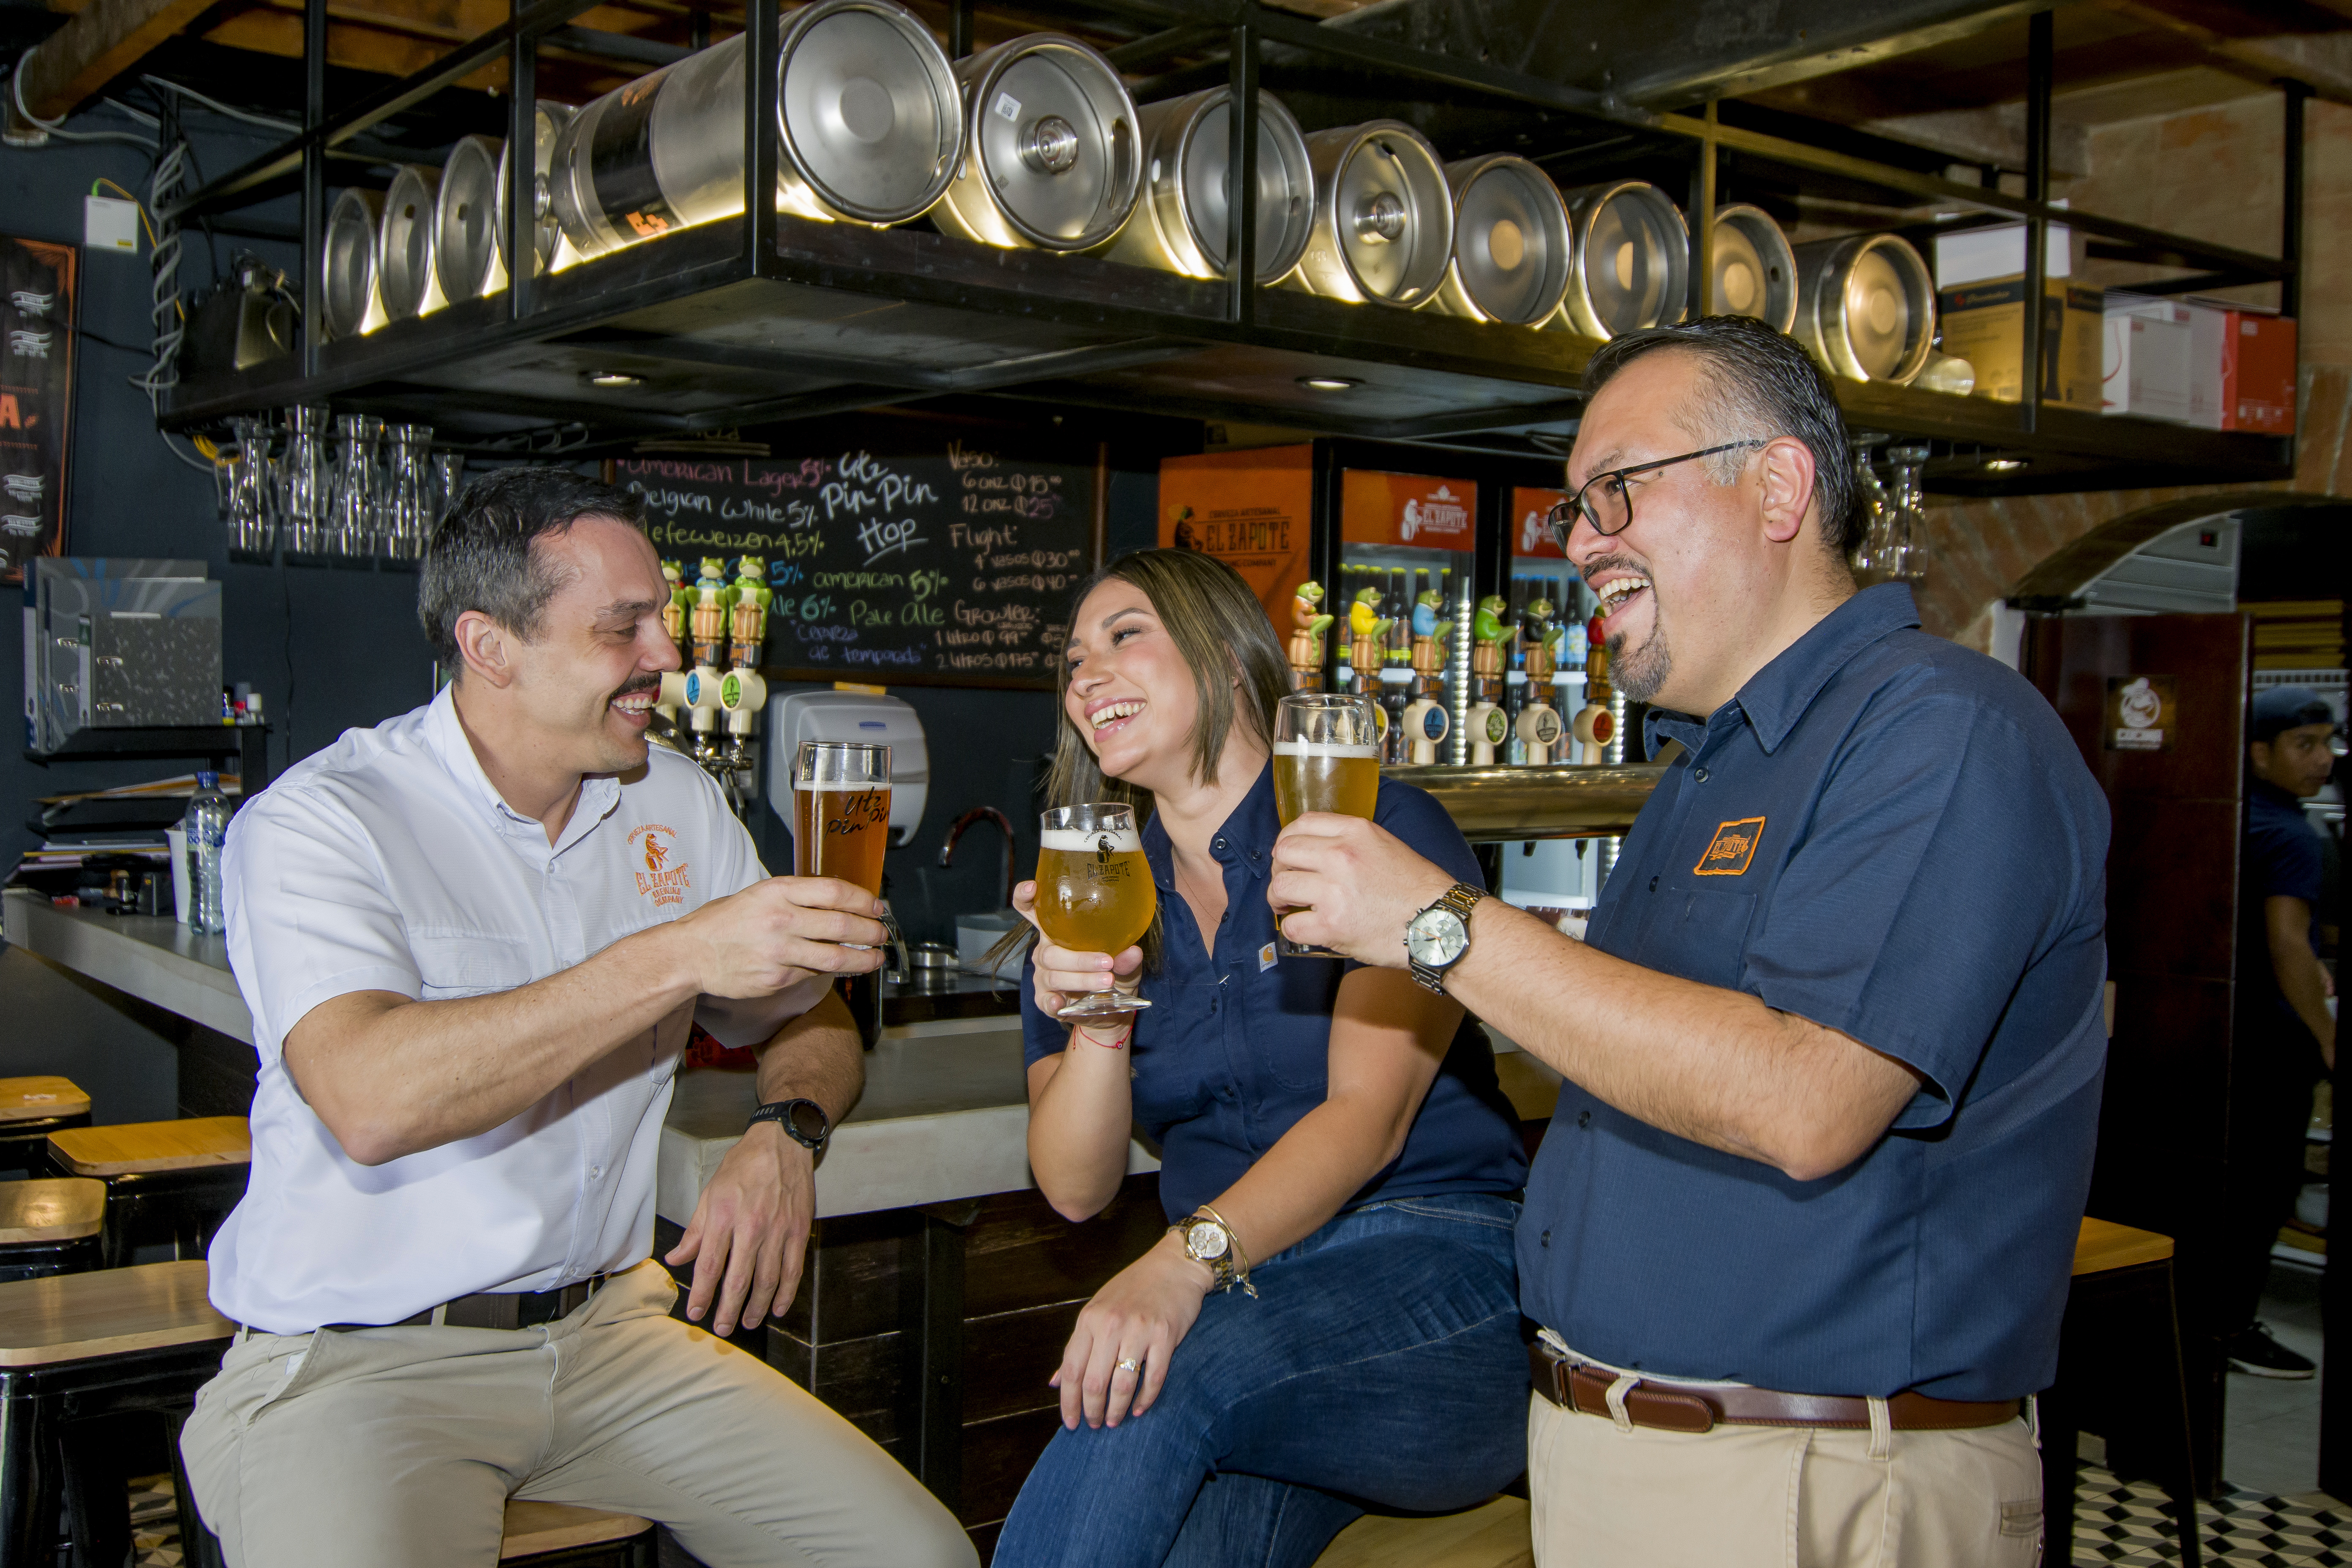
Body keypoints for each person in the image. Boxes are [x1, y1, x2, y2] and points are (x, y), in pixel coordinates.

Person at [1267, 316, 2111, 1567]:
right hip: (1638, 1459)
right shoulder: (1708, 766)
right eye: (1573, 511)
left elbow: (1805, 1097)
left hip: (1810, 1478)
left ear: (1779, 484)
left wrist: (1442, 928)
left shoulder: (1944, 729)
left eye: (1616, 490)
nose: (1583, 542)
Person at [180, 468, 976, 1568]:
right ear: (490, 646)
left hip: (610, 1339)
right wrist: (685, 951)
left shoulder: (679, 801)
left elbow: (813, 1022)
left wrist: (787, 1136)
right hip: (368, 1362)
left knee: (920, 1560)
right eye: (625, 627)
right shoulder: (326, 821)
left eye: (661, 616)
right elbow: (371, 1098)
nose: (668, 653)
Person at [991, 549, 1530, 1568]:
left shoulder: (1375, 830)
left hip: (1440, 1275)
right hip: (1252, 1308)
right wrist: (1100, 1018)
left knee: (1164, 1369)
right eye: (1072, 661)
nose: (1087, 674)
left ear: (1229, 656)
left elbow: (1366, 1121)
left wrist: (1174, 1268)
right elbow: (1072, 1184)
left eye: (1125, 636)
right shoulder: (1089, 887)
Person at [2221, 684, 2340, 1378]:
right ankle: (2233, 1325)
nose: (2322, 760)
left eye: (2328, 744)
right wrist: (2325, 1033)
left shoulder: (2236, 814)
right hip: (2270, 1045)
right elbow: (2289, 944)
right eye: (2305, 745)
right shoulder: (2290, 833)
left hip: (2222, 1041)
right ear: (2259, 752)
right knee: (2263, 1190)